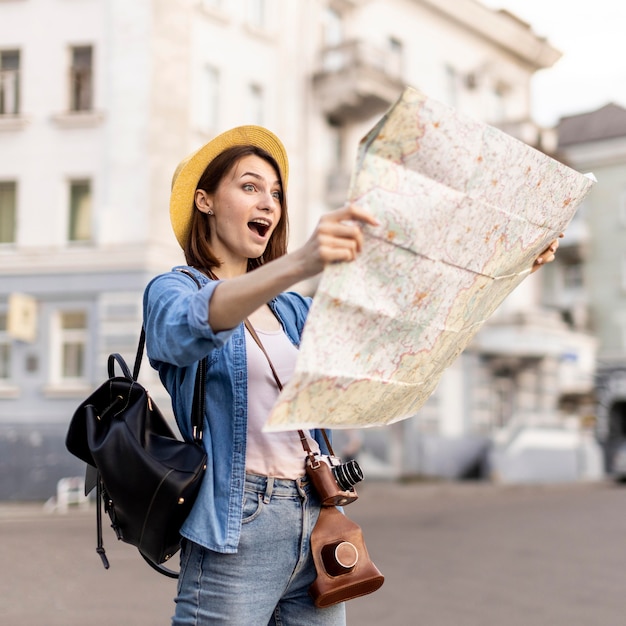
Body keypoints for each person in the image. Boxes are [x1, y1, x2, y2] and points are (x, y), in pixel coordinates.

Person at [143, 125, 560, 625]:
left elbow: (400, 327)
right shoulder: (173, 290)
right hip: (238, 526)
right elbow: (190, 327)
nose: (269, 203)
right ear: (205, 201)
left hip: (317, 520)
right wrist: (301, 262)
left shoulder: (292, 309)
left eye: (276, 193)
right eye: (250, 186)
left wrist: (506, 267)